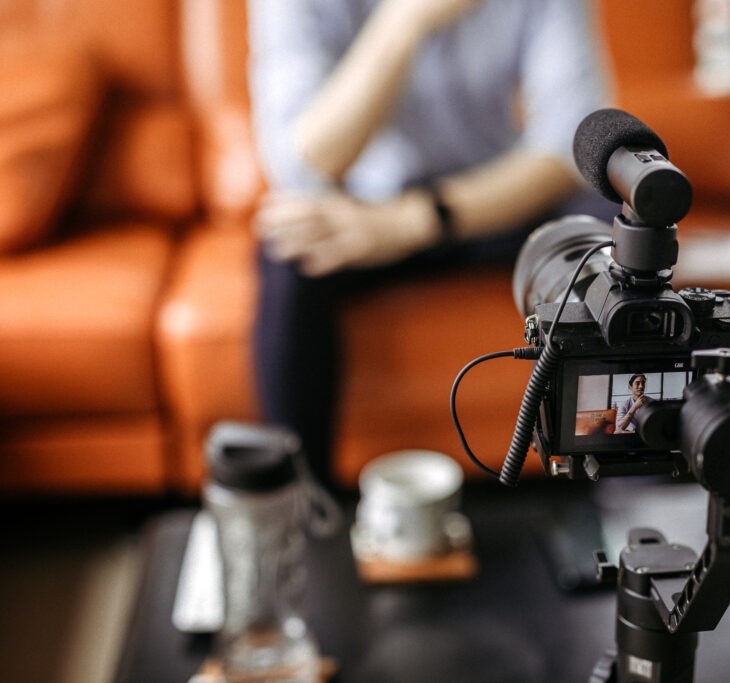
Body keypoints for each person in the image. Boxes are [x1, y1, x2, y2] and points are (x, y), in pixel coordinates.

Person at [246, 0, 611, 484]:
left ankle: (623, 485)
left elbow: (570, 143)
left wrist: (415, 220)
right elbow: (305, 163)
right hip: (363, 210)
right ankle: (304, 508)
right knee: (289, 252)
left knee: (603, 232)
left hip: (489, 203)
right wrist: (405, 21)